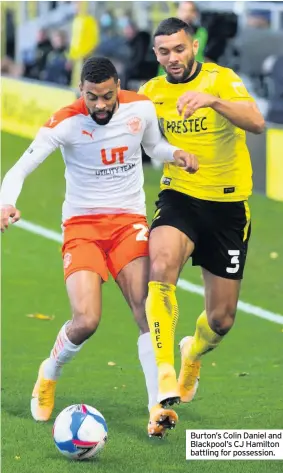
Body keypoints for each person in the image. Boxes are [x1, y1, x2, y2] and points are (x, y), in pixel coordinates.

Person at [0, 57, 198, 438]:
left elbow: (154, 145)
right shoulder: (65, 122)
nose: (102, 105)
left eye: (108, 96)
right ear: (81, 92)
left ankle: (156, 405)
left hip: (129, 223)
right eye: (93, 98)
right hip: (82, 227)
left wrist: (175, 154)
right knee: (86, 320)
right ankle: (50, 373)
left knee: (145, 309)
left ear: (118, 85)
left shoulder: (140, 106)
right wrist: (6, 203)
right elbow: (19, 169)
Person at [139, 18, 265, 418]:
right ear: (155, 54)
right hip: (179, 196)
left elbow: (257, 123)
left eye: (179, 49)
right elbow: (143, 142)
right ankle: (163, 376)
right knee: (160, 265)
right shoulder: (150, 93)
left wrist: (212, 101)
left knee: (221, 320)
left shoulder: (220, 79)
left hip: (228, 207)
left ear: (193, 46)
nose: (172, 58)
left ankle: (191, 353)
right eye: (164, 52)